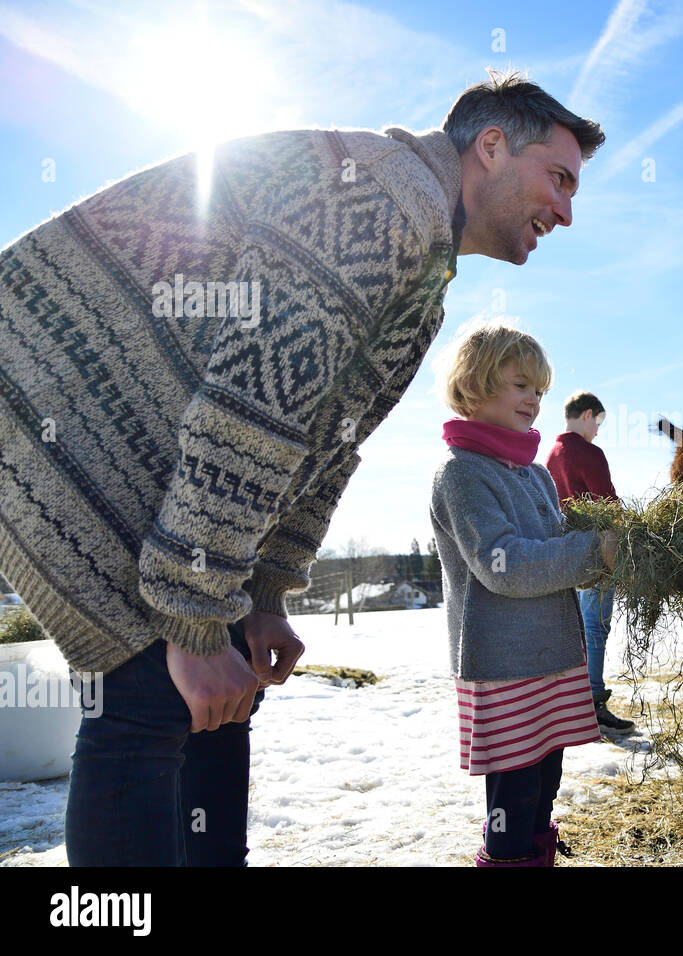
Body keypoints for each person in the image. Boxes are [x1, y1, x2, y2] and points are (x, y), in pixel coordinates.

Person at [0, 71, 603, 866]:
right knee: (151, 695)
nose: (566, 210)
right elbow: (255, 403)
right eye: (558, 179)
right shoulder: (382, 204)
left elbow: (325, 434)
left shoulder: (423, 256)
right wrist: (191, 608)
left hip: (130, 446)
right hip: (47, 407)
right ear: (490, 147)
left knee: (225, 692)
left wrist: (263, 592)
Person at [430, 325, 617, 866]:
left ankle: (539, 853)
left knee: (545, 784)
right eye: (519, 385)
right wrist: (591, 552)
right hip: (503, 665)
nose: (535, 400)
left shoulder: (534, 474)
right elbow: (503, 565)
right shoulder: (461, 474)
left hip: (552, 658)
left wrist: (617, 551)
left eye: (539, 389)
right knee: (512, 796)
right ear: (472, 386)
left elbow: (555, 546)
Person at [544, 392, 635, 734]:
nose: (597, 430)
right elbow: (608, 505)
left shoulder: (550, 455)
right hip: (597, 551)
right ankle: (594, 704)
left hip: (565, 552)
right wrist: (623, 542)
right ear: (586, 415)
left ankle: (574, 702)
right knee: (596, 628)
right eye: (598, 422)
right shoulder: (589, 453)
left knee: (579, 629)